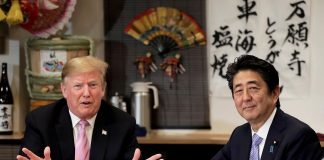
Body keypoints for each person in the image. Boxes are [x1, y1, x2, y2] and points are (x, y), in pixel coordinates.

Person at [17, 56, 162, 160]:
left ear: (103, 89)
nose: (86, 93)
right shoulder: (40, 121)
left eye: (93, 85)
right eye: (78, 86)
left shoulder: (122, 123)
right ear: (64, 90)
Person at [212, 55, 323, 160]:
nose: (245, 97)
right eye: (239, 91)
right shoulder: (239, 134)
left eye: (253, 88)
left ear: (275, 93)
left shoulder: (298, 136)